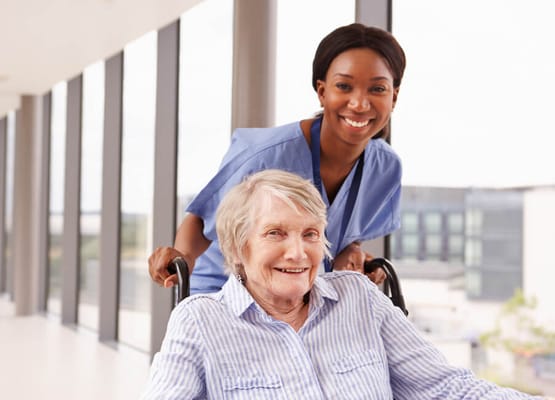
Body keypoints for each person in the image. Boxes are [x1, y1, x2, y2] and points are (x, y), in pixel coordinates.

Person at [142, 170, 542, 399]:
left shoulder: (359, 298)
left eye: (311, 234)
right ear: (238, 246)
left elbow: (446, 388)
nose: (298, 253)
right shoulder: (199, 322)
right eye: (276, 234)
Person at [149, 22, 405, 294]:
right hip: (225, 295)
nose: (360, 103)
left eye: (377, 89)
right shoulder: (265, 155)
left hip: (300, 302)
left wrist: (352, 252)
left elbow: (346, 234)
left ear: (394, 97)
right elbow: (201, 221)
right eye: (344, 86)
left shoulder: (386, 168)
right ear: (322, 92)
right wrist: (182, 258)